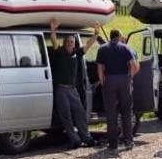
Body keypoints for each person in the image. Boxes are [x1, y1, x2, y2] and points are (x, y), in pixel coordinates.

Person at [48, 19, 100, 148]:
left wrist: (96, 33)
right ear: (65, 43)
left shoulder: (78, 53)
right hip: (61, 90)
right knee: (66, 116)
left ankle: (87, 138)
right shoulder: (59, 51)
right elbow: (54, 40)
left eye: (72, 42)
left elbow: (89, 44)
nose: (70, 44)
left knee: (80, 114)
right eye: (68, 42)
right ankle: (75, 140)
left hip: (73, 90)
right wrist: (53, 29)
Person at [96, 28, 137, 150]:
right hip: (124, 81)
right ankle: (128, 141)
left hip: (109, 80)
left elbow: (100, 67)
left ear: (110, 36)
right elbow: (133, 65)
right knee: (126, 112)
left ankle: (112, 144)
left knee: (111, 113)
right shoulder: (125, 48)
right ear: (118, 36)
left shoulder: (102, 48)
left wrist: (103, 80)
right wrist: (130, 77)